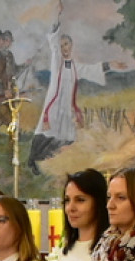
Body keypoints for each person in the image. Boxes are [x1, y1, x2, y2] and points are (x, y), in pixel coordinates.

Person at [27, 4, 117, 176]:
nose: (64, 48)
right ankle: (33, 161)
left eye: (66, 44)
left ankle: (52, 163)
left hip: (66, 109)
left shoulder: (76, 67)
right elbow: (53, 44)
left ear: (71, 45)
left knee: (66, 136)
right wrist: (57, 16)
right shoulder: (57, 64)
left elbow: (91, 70)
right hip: (53, 107)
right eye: (61, 45)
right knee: (45, 134)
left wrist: (109, 65)